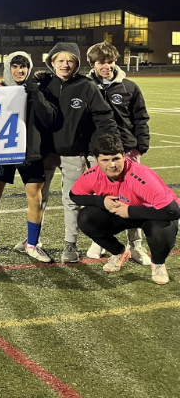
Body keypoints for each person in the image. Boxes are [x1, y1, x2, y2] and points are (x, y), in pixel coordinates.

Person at [36, 42, 118, 263]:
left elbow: (104, 117)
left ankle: (70, 244)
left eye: (70, 60)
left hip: (74, 152)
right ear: (52, 62)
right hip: (44, 152)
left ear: (77, 64)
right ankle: (32, 240)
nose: (65, 64)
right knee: (37, 198)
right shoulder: (41, 84)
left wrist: (110, 145)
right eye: (60, 60)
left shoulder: (87, 86)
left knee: (72, 199)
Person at [0, 52, 55, 262]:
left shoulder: (36, 90)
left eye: (24, 67)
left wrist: (36, 92)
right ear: (8, 68)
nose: (20, 71)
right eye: (15, 66)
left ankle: (32, 244)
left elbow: (48, 119)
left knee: (35, 200)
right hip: (4, 152)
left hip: (31, 153)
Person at [71, 134, 178, 285]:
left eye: (116, 158)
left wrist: (130, 211)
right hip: (122, 213)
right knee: (85, 217)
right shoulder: (93, 174)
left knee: (161, 230)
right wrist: (101, 201)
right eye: (105, 160)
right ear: (96, 160)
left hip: (154, 215)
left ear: (124, 156)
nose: (112, 165)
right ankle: (120, 252)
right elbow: (74, 195)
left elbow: (173, 211)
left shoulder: (141, 176)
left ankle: (158, 264)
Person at [84, 42, 151, 264]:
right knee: (100, 196)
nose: (107, 66)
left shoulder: (129, 86)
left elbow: (140, 117)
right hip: (97, 152)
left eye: (111, 61)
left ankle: (136, 245)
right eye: (102, 62)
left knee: (133, 197)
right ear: (92, 64)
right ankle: (101, 240)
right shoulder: (84, 86)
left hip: (127, 150)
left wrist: (140, 145)